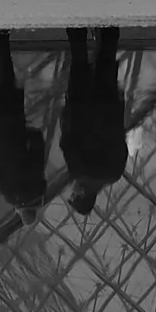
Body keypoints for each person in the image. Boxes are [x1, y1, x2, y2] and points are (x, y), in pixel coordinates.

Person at [0, 31, 49, 218]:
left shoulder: (36, 183)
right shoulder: (1, 189)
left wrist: (28, 133)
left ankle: (0, 34)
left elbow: (37, 148)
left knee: (5, 74)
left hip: (12, 121)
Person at [59, 26, 129, 214]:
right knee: (79, 64)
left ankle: (110, 30)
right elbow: (67, 143)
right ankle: (77, 30)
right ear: (81, 196)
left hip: (109, 108)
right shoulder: (79, 172)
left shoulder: (114, 175)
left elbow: (122, 146)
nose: (71, 190)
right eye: (73, 196)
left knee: (106, 63)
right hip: (82, 109)